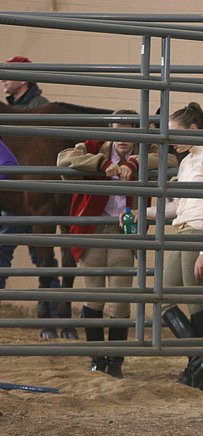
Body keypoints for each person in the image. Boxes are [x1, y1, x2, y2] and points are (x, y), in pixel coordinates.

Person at [57, 109, 176, 378]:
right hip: (93, 229)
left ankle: (116, 360)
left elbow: (168, 159)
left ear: (136, 132)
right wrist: (101, 164)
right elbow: (63, 159)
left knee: (121, 299)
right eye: (117, 129)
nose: (122, 137)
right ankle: (97, 357)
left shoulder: (146, 150)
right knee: (93, 296)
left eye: (128, 130)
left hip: (125, 231)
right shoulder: (93, 148)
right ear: (110, 130)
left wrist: (134, 163)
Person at [134, 102, 203, 389]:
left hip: (201, 233)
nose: (171, 139)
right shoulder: (188, 160)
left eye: (175, 132)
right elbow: (179, 207)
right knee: (164, 296)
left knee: (194, 301)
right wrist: (145, 214)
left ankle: (197, 367)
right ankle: (198, 362)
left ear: (194, 129)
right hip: (184, 230)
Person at [0, 55, 60, 325]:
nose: (3, 79)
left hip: (31, 197)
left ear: (24, 80)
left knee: (41, 254)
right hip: (16, 195)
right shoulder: (11, 111)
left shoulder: (39, 109)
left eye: (9, 74)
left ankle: (53, 311)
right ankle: (52, 310)